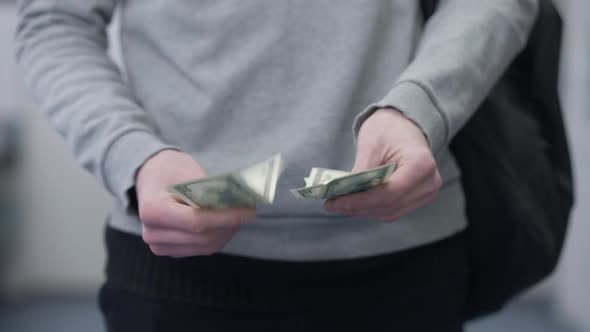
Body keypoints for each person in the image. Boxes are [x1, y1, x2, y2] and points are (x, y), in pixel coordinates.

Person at [15, 1, 539, 331]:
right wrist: (133, 153)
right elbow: (54, 22)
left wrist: (418, 108)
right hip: (178, 273)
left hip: (402, 261)